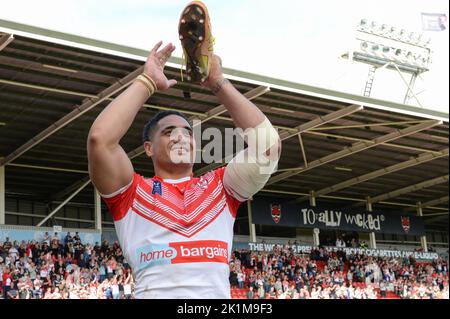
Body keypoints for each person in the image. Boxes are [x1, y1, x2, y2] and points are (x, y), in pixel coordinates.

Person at [86, 1, 280, 299]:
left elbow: (268, 149)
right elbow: (100, 140)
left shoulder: (221, 187)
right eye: (168, 132)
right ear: (148, 148)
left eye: (188, 132)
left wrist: (218, 83)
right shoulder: (132, 192)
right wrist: (148, 80)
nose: (181, 137)